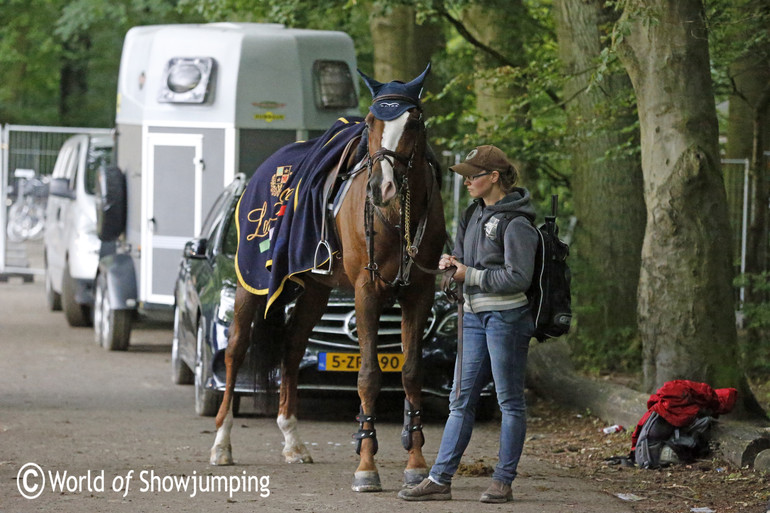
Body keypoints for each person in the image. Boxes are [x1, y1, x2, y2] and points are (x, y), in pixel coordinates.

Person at [398, 145, 539, 503]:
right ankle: (440, 479)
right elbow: (462, 263)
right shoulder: (472, 216)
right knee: (459, 400)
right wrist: (452, 266)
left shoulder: (517, 222)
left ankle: (503, 481)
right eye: (464, 176)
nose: (466, 182)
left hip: (506, 318)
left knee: (509, 401)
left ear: (494, 177)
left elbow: (518, 277)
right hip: (474, 316)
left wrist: (469, 274)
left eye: (473, 176)